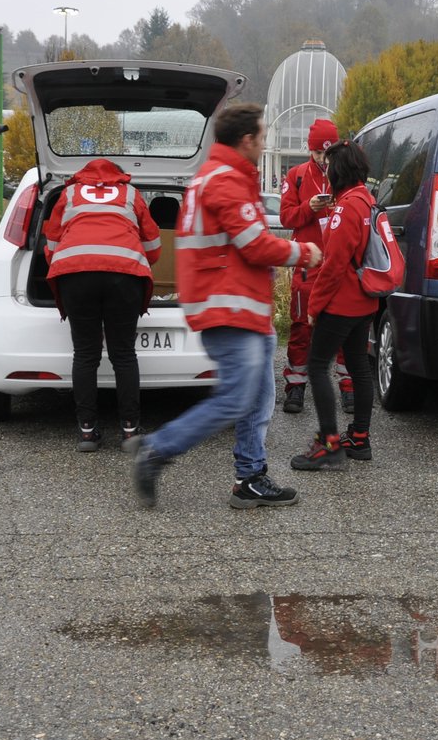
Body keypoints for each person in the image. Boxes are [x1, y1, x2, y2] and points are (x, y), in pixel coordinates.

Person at [131, 104, 324, 509]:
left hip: (242, 307)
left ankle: (250, 477)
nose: (265, 143)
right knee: (237, 399)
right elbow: (254, 243)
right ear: (247, 140)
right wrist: (303, 252)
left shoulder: (222, 177)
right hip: (229, 307)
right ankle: (157, 449)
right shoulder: (225, 180)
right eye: (263, 136)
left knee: (256, 399)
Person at [41, 157, 161, 452]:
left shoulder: (68, 194)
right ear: (119, 176)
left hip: (75, 275)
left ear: (83, 175)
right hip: (124, 276)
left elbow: (52, 246)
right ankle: (131, 432)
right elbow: (154, 248)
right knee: (123, 353)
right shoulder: (131, 194)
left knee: (85, 353)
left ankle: (87, 432)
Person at [290, 140, 379, 471]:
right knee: (358, 366)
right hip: (366, 302)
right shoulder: (368, 201)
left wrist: (314, 305)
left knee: (316, 365)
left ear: (338, 171)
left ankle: (328, 442)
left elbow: (332, 265)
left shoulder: (345, 209)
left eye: (329, 167)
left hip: (342, 303)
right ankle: (359, 438)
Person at [279, 118, 354, 415]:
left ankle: (348, 387)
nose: (324, 160)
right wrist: (307, 209)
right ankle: (295, 386)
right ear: (309, 151)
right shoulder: (296, 176)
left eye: (329, 153)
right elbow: (286, 218)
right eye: (318, 154)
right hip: (308, 266)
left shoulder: (346, 176)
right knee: (301, 328)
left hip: (339, 267)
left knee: (343, 330)